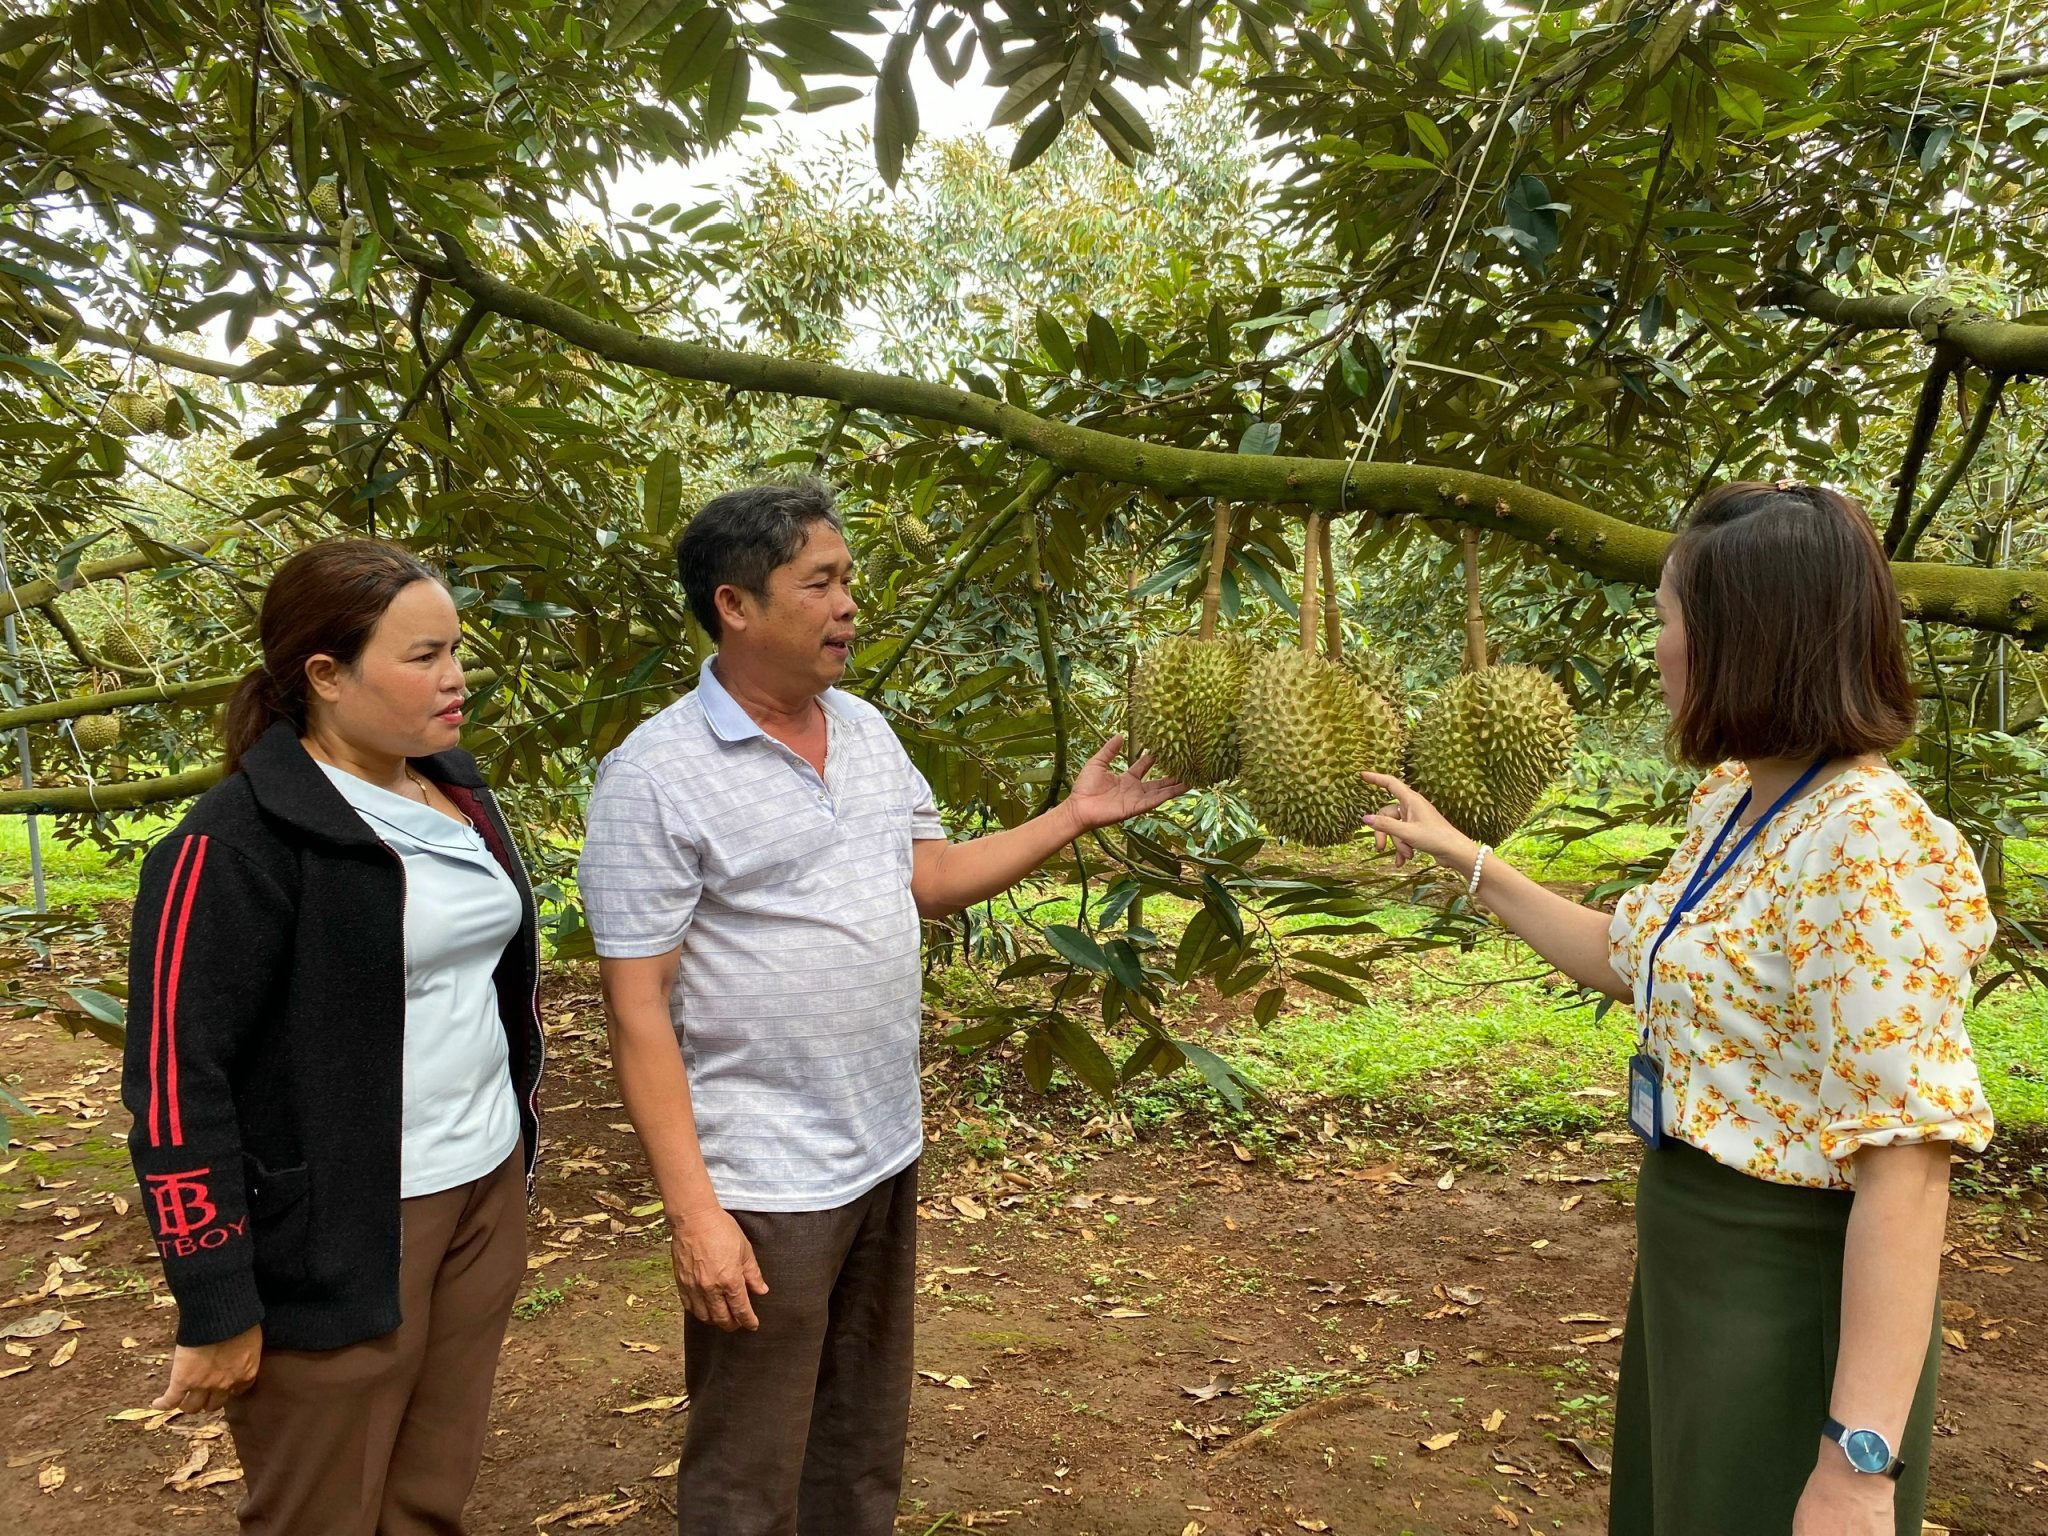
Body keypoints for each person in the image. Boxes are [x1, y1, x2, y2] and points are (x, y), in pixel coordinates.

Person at [1360, 482, 1994, 1536]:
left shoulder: (1868, 843)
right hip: (1692, 1258)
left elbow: (1906, 1161)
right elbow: (1630, 958)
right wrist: (1469, 861)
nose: (1654, 647)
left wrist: (1856, 1464)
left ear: (1743, 640)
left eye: (1665, 619)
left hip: (1786, 1285)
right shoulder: (1743, 801)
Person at [578, 480, 1182, 1536]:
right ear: (735, 606)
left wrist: (1074, 817)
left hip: (878, 1145)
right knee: (748, 1463)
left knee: (858, 1442)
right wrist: (696, 1214)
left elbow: (929, 875)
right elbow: (636, 1010)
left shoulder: (860, 729)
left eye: (848, 579)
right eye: (821, 583)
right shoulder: (654, 776)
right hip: (762, 1173)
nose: (850, 605)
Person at [121, 539, 545, 1535]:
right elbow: (176, 1080)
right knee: (321, 1510)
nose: (456, 678)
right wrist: (216, 1296)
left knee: (428, 1493)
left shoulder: (452, 789)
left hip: (479, 1191)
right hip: (343, 1230)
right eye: (424, 655)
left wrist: (515, 1159)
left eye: (456, 651)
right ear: (326, 675)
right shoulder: (232, 844)